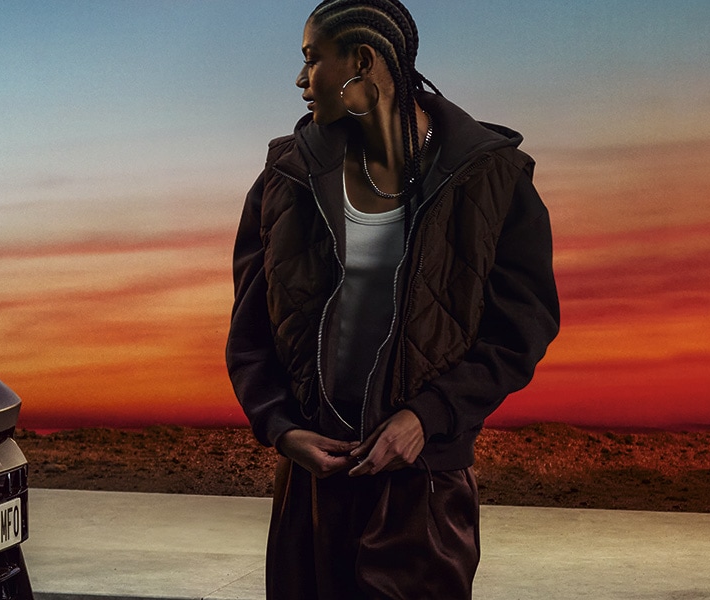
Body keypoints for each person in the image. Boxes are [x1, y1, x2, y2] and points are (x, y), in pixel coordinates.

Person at [228, 1, 560, 597]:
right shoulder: (286, 178)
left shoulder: (491, 178)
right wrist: (280, 429)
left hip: (423, 484)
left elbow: (519, 331)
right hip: (310, 485)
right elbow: (250, 332)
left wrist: (425, 418)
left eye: (311, 60)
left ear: (362, 62)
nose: (301, 81)